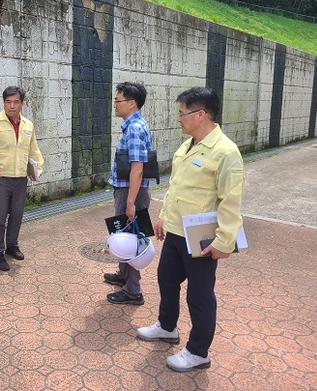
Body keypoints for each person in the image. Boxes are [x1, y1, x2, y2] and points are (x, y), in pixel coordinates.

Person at [137, 87, 244, 372]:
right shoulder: (187, 146)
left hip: (201, 237)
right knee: (166, 279)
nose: (178, 118)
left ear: (201, 114)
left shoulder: (226, 152)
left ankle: (198, 352)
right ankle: (167, 327)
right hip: (175, 230)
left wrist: (224, 241)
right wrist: (163, 217)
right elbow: (177, 188)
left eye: (182, 113)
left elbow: (231, 201)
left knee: (199, 295)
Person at [0, 85, 44, 271]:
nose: (12, 106)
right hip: (1, 177)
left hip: (21, 178)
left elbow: (34, 150)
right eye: (8, 102)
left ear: (22, 104)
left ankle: (12, 245)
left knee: (16, 214)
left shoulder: (28, 125)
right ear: (4, 103)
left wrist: (37, 169)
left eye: (16, 102)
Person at [104, 82, 153, 305]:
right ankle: (124, 275)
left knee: (130, 239)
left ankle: (133, 290)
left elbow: (137, 168)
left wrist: (130, 202)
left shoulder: (134, 129)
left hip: (130, 191)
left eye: (118, 100)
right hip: (128, 190)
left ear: (131, 103)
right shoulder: (136, 125)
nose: (115, 104)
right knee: (123, 234)